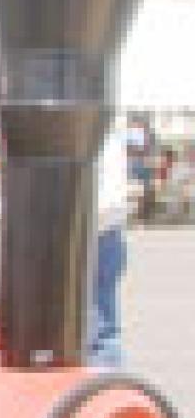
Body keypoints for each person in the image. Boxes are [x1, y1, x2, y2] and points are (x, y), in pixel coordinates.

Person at [91, 129, 130, 368]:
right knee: (103, 322)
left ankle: (106, 384)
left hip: (95, 234)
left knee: (100, 329)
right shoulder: (109, 135)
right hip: (108, 232)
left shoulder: (97, 138)